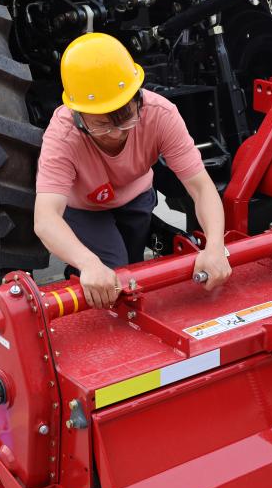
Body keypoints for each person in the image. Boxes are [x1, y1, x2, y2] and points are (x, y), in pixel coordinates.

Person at [34, 33, 231, 309]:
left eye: (126, 118)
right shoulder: (63, 136)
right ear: (78, 115)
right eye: (102, 124)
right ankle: (80, 274)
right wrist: (88, 263)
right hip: (84, 208)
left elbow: (201, 187)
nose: (116, 134)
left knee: (134, 271)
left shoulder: (160, 114)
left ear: (138, 98)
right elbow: (45, 219)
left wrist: (215, 247)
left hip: (136, 195)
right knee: (112, 274)